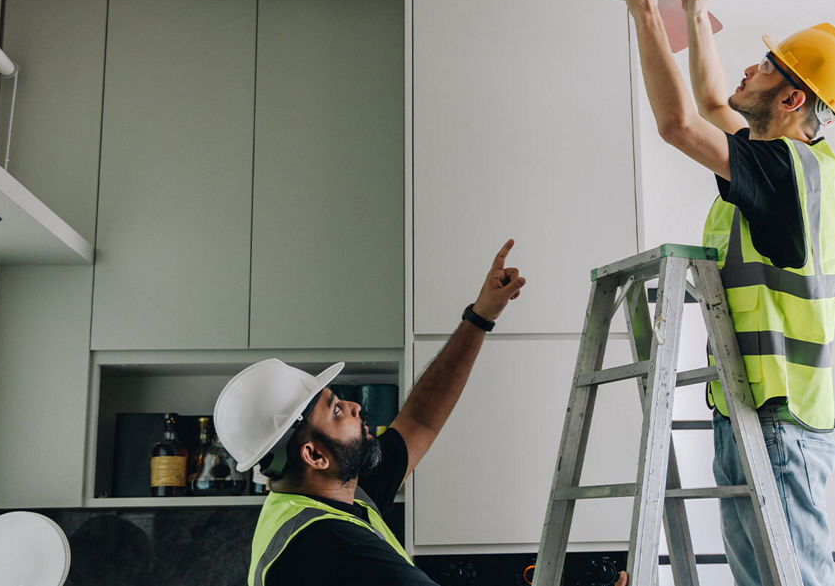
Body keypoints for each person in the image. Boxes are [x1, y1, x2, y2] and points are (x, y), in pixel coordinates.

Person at [612, 0, 835, 586]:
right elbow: (706, 101)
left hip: (782, 417)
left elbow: (677, 125)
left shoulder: (787, 170)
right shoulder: (778, 155)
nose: (748, 67)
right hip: (750, 411)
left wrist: (645, 8)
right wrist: (695, 11)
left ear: (790, 96)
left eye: (765, 66)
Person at [214, 240, 624, 586]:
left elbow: (420, 420)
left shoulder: (325, 493)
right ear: (314, 455)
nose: (355, 406)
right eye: (336, 410)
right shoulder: (329, 543)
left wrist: (480, 316)